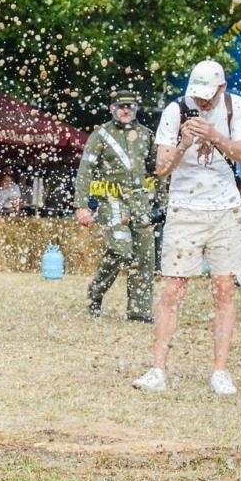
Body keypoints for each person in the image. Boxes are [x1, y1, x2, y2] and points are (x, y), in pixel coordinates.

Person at [133, 61, 241, 395]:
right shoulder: (174, 110)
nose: (201, 103)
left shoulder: (235, 106)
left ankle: (220, 371)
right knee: (173, 288)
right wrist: (185, 143)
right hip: (184, 206)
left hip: (224, 208)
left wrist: (213, 135)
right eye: (197, 96)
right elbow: (161, 169)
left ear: (222, 88)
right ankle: (158, 369)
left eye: (208, 97)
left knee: (224, 288)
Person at [74, 89, 156, 321]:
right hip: (111, 201)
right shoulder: (100, 135)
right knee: (121, 249)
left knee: (144, 256)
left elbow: (158, 171)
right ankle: (96, 292)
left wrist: (162, 202)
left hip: (140, 204)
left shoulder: (146, 136)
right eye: (121, 106)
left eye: (130, 106)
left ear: (136, 109)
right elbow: (85, 171)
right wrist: (81, 205)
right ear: (112, 108)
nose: (126, 110)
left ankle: (139, 312)